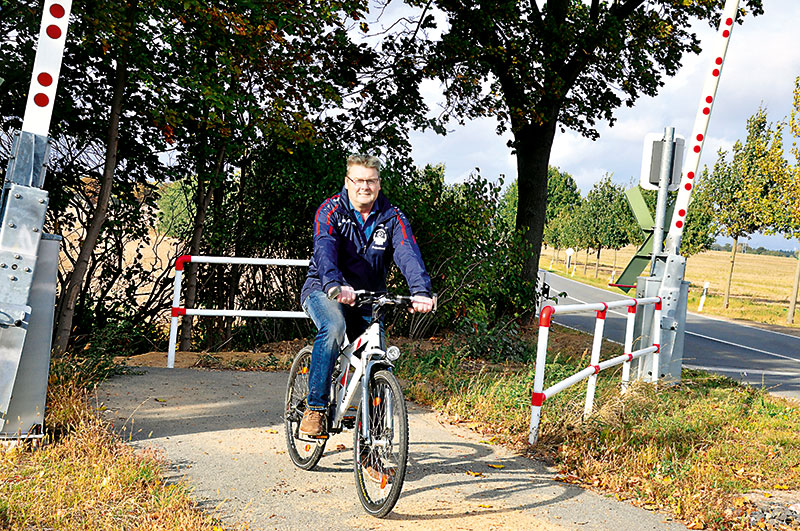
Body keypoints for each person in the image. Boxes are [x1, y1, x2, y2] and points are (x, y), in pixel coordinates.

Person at [299, 154, 434, 437]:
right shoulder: (331, 210)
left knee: (376, 359)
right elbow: (324, 250)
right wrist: (335, 285)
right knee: (334, 327)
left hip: (369, 297)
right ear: (348, 182)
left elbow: (407, 252)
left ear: (379, 184)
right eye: (359, 180)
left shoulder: (393, 217)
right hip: (324, 289)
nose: (365, 186)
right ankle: (316, 408)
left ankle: (374, 447)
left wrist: (420, 291)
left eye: (371, 181)